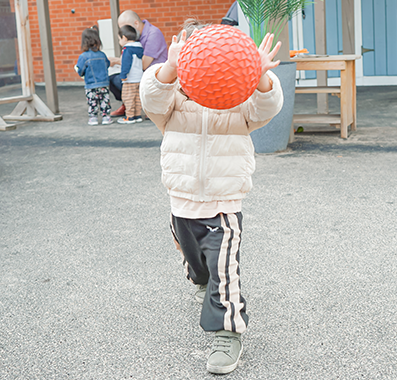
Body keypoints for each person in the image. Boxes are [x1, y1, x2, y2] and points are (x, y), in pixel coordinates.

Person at [139, 21, 283, 374]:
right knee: (199, 267)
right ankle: (201, 280)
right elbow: (150, 95)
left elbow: (268, 107)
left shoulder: (238, 101)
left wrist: (260, 76)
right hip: (182, 202)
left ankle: (228, 330)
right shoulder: (171, 101)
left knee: (224, 271)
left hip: (223, 203)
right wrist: (170, 67)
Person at [109, 11, 168, 117]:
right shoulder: (136, 37)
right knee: (111, 78)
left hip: (154, 76)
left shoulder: (153, 34)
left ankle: (138, 105)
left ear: (136, 23)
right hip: (141, 74)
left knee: (121, 79)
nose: (124, 32)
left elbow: (144, 65)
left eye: (126, 28)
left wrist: (116, 61)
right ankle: (128, 104)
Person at [75, 27, 112, 125]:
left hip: (91, 85)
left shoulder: (83, 56)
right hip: (104, 83)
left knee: (92, 102)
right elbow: (107, 64)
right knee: (104, 100)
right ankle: (106, 117)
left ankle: (93, 117)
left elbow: (80, 71)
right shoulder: (102, 54)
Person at [116, 25, 144, 124]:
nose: (119, 42)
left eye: (119, 39)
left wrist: (123, 75)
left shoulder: (127, 49)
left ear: (124, 37)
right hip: (139, 78)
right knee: (137, 98)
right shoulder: (139, 48)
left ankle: (129, 117)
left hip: (130, 79)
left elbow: (126, 64)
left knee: (128, 98)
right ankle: (137, 115)